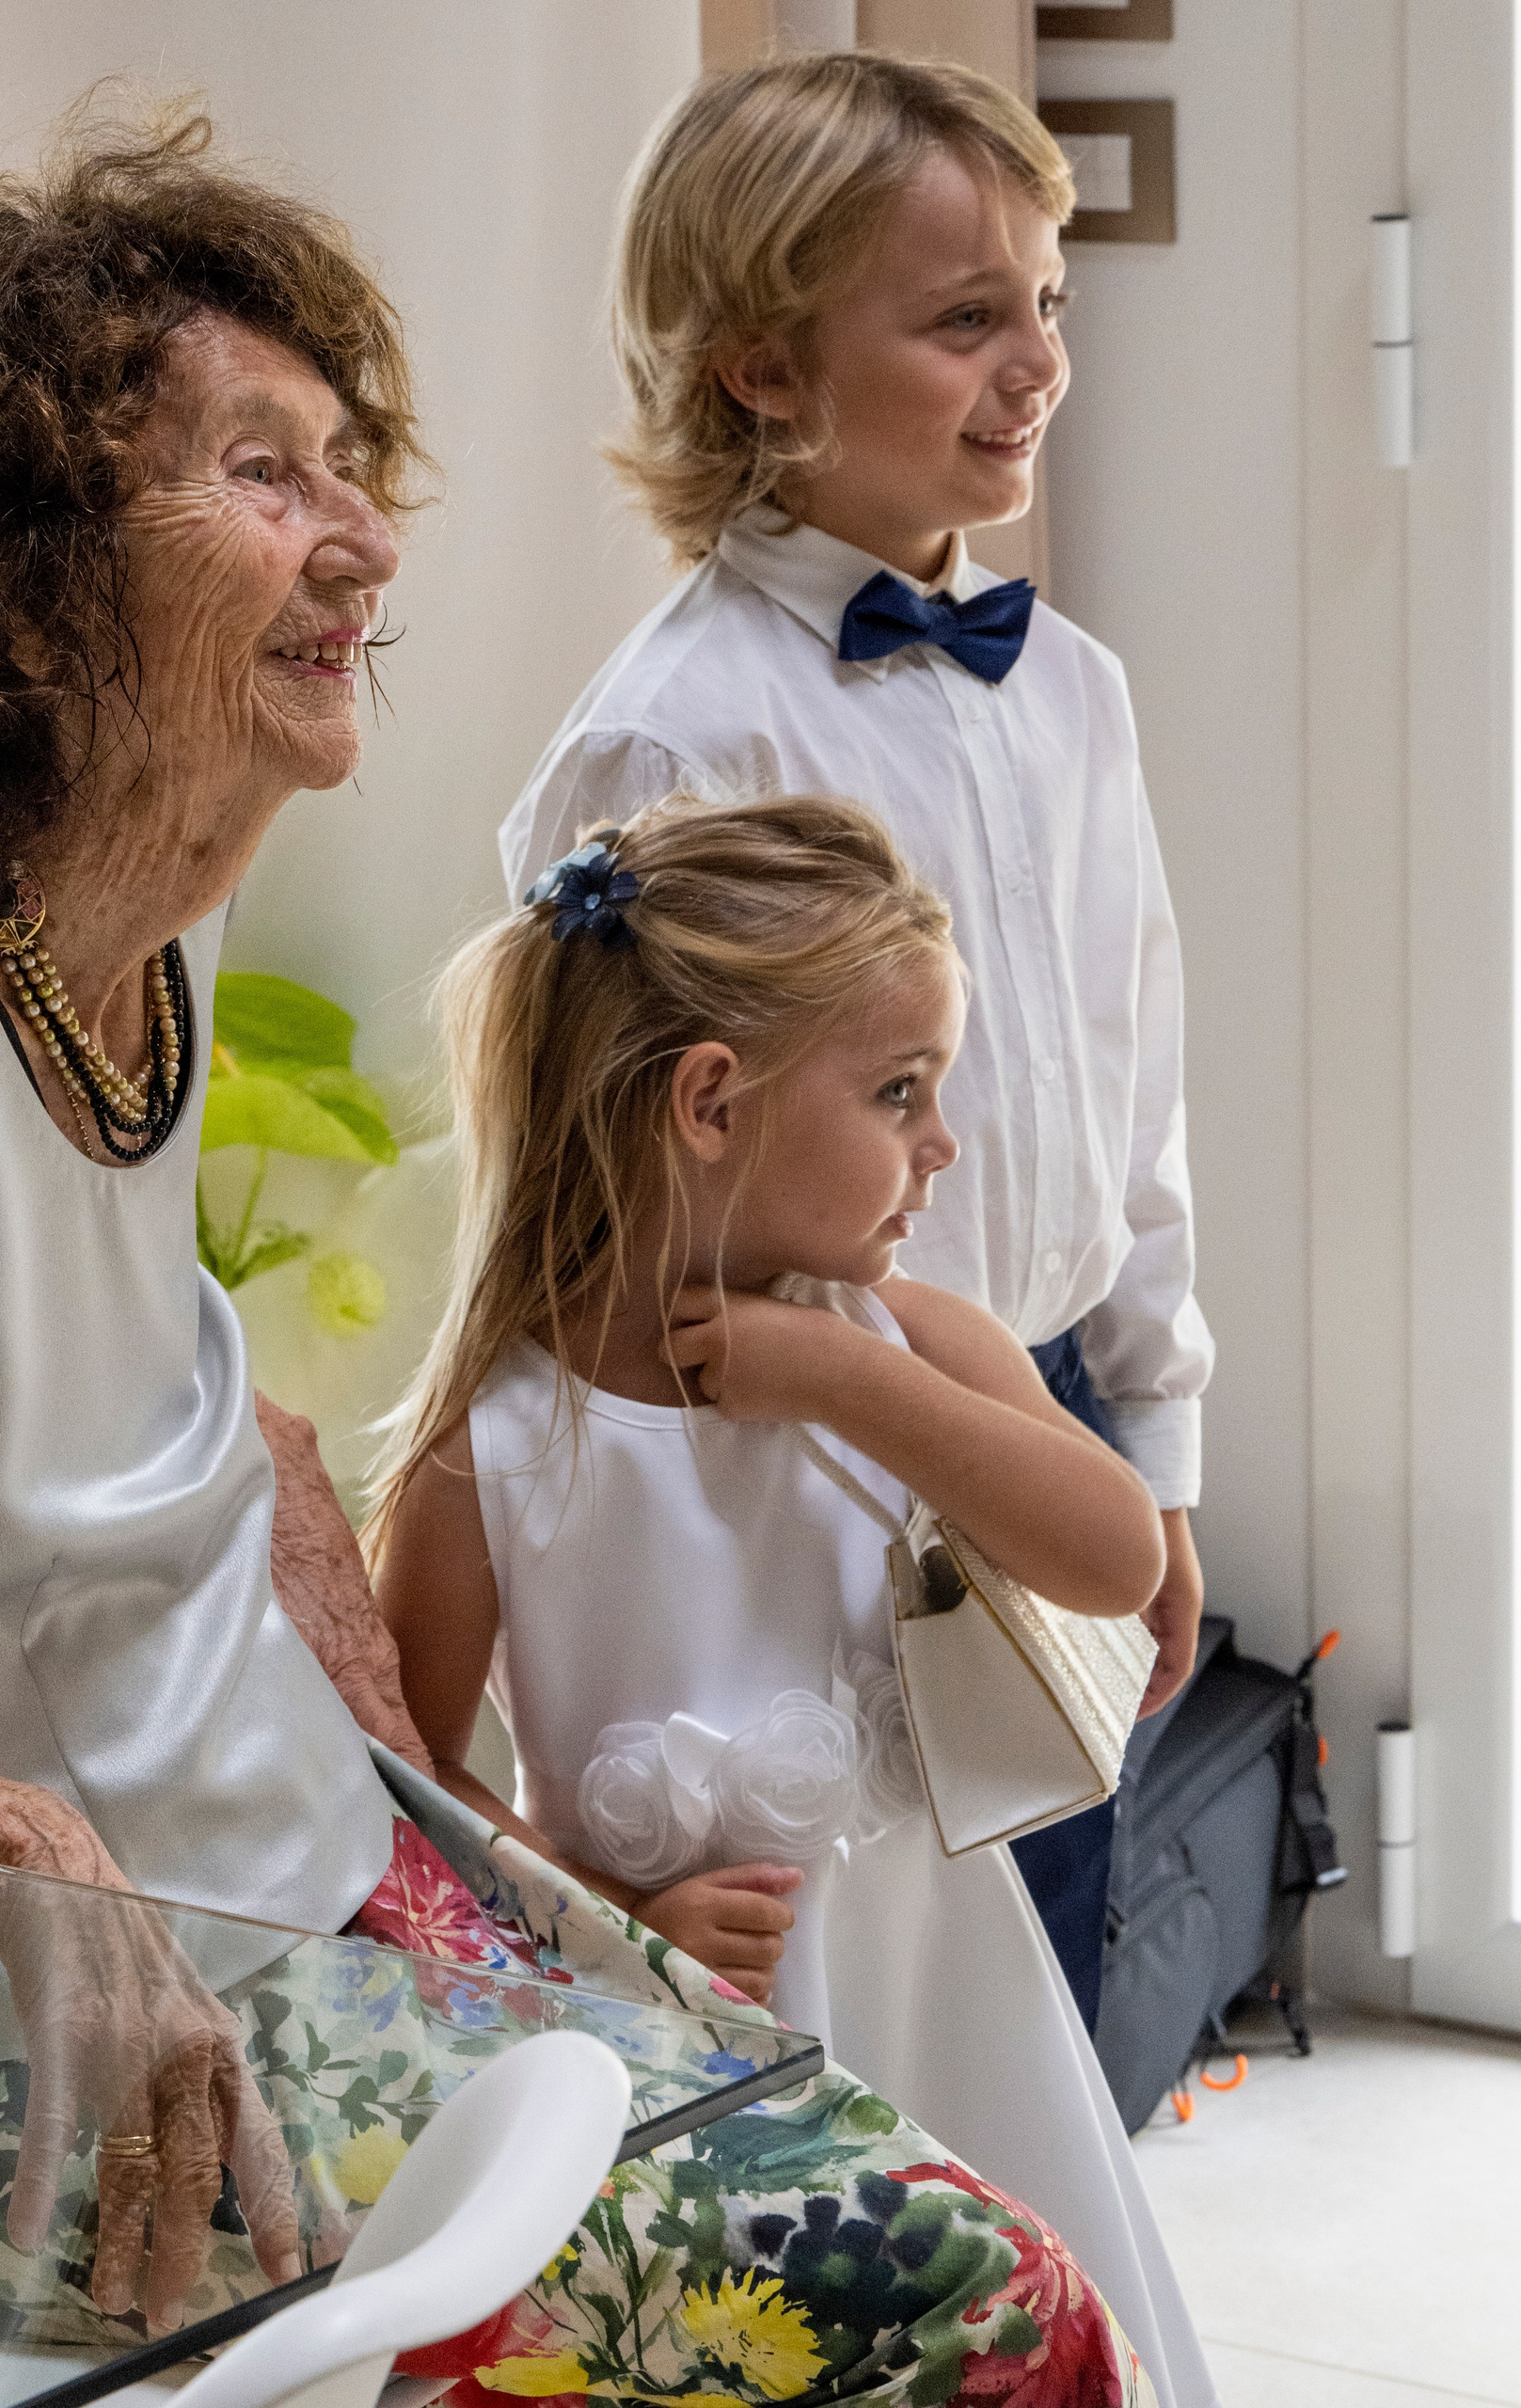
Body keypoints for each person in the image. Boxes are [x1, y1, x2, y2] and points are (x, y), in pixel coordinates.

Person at [0, 103, 1157, 2403]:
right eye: (259, 473)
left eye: (347, 467)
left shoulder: (128, 917)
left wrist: (440, 1790)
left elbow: (177, 1388)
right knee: (991, 2323)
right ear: (18, 562)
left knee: (938, 2217)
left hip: (277, 1871)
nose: (357, 542)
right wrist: (12, 1834)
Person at [497, 51, 1214, 2035]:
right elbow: (598, 1157)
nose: (1033, 362)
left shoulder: (1067, 688)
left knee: (1029, 1972)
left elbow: (1128, 1088)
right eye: (962, 316)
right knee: (839, 1996)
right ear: (758, 367)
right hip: (787, 1426)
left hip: (1032, 1406)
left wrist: (1144, 1441)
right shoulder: (669, 734)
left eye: (1044, 305)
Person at [372, 793, 1212, 2408]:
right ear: (709, 1101)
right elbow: (418, 1779)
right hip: (694, 2032)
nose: (940, 1144)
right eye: (900, 1093)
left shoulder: (905, 1345)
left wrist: (840, 1377)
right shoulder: (498, 1439)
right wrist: (610, 1922)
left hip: (942, 1994)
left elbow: (1118, 1558)